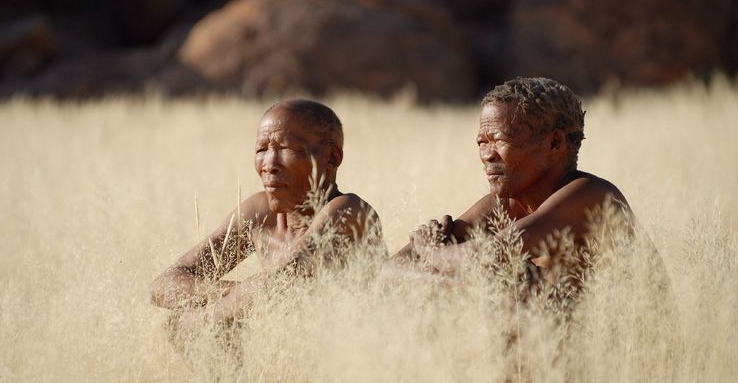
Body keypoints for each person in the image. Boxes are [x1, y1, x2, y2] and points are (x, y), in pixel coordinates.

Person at [151, 99, 384, 322]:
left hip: (340, 355)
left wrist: (200, 319)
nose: (269, 165)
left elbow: (279, 283)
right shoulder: (260, 211)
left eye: (285, 148)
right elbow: (164, 284)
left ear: (332, 157)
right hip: (280, 345)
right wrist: (239, 292)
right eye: (262, 149)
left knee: (181, 325)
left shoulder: (349, 210)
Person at [387, 77, 636, 286]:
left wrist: (429, 252)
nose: (487, 155)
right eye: (482, 143)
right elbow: (388, 272)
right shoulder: (505, 203)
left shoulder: (590, 195)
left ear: (554, 143)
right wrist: (447, 278)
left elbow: (485, 257)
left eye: (499, 140)